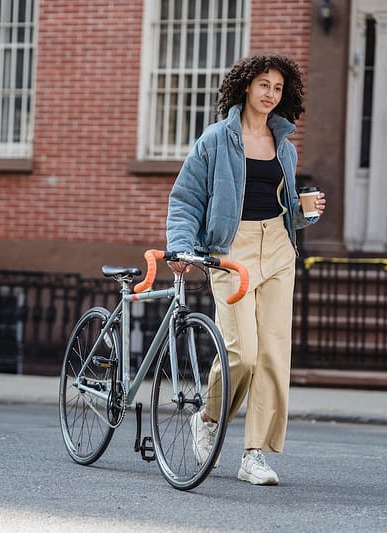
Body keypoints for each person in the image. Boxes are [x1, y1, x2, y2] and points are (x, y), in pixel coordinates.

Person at [165, 54, 326, 485]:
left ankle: (254, 454)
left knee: (273, 355)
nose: (270, 94)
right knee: (243, 353)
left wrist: (305, 214)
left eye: (277, 88)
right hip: (230, 250)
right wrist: (180, 246)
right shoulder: (216, 140)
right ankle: (209, 418)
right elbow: (185, 200)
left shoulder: (285, 148)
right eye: (263, 85)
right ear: (246, 87)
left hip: (277, 247)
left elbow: (284, 209)